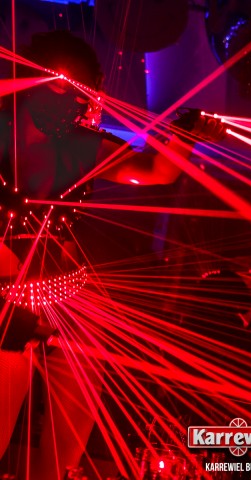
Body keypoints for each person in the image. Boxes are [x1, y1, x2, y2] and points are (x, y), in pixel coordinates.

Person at [0, 29, 224, 478]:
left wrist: (185, 135)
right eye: (64, 86)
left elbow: (154, 170)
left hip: (66, 299)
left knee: (80, 392)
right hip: (6, 303)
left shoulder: (82, 146)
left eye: (83, 93)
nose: (75, 102)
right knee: (7, 393)